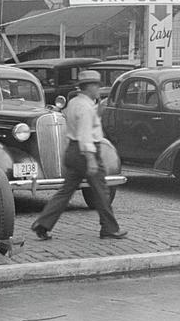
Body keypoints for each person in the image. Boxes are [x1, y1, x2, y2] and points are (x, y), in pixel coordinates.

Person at [31, 70, 126, 240]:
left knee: (65, 192)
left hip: (73, 151)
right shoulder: (85, 108)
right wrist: (90, 159)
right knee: (101, 191)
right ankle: (109, 228)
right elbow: (85, 135)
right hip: (86, 153)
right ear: (89, 87)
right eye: (96, 85)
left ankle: (43, 223)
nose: (98, 89)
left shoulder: (74, 103)